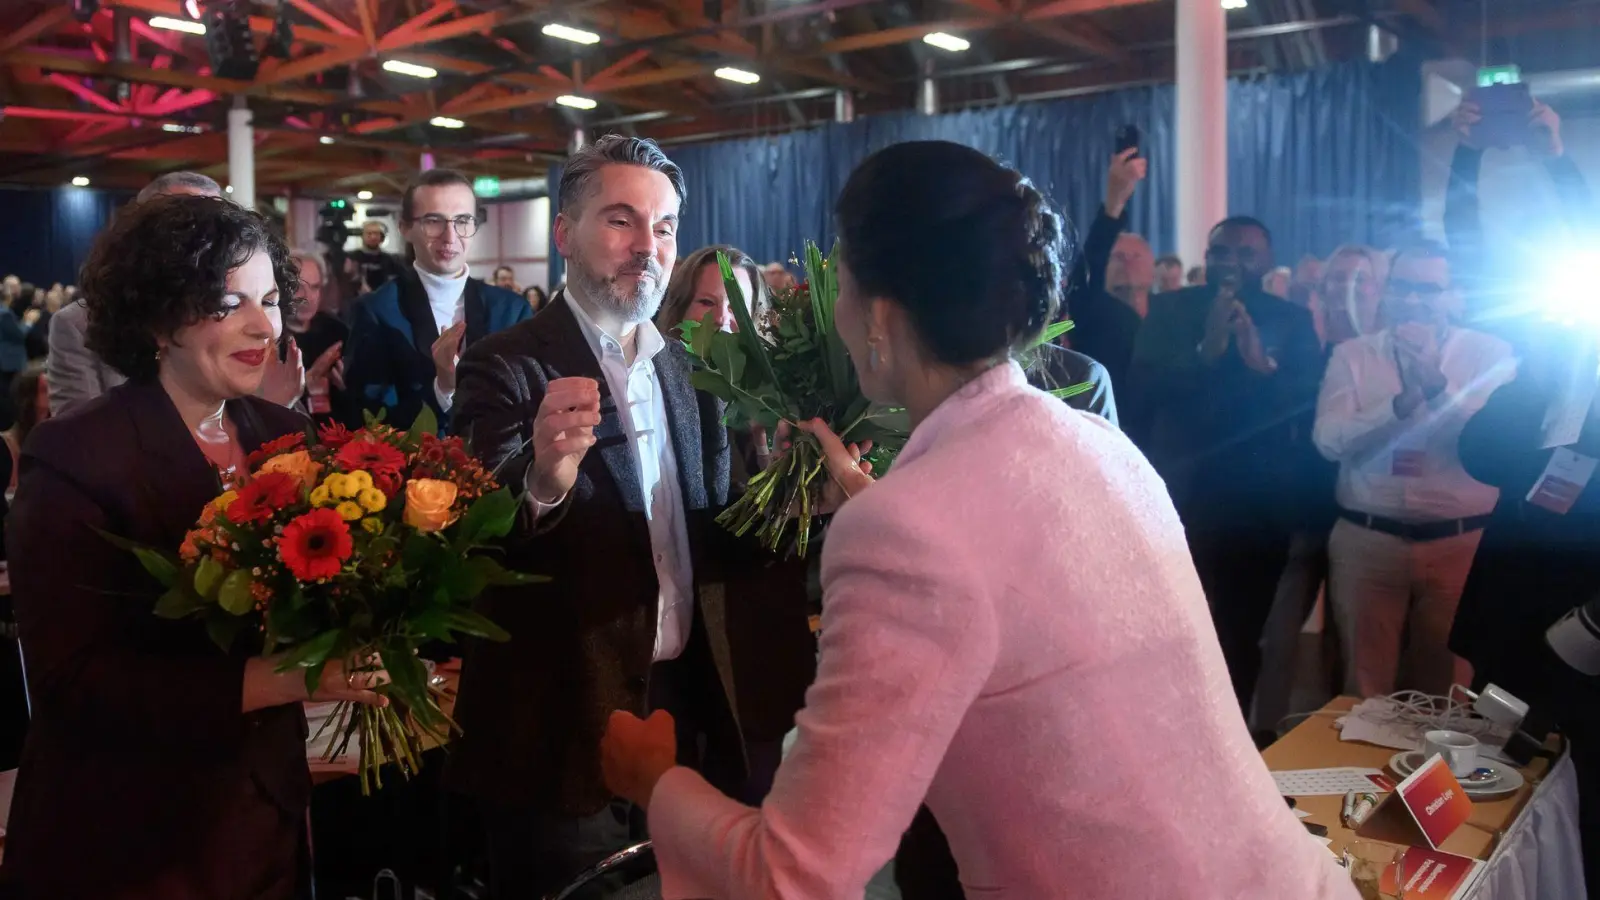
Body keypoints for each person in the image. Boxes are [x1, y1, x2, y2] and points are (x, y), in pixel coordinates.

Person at [599, 140, 1356, 900]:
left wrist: (655, 781)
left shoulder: (906, 533)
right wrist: (879, 500)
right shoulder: (1099, 444)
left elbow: (796, 872)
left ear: (879, 316)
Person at [1, 195, 387, 899]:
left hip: (262, 812)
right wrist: (286, 679)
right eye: (226, 300)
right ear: (156, 316)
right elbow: (72, 681)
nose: (260, 325)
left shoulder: (284, 434)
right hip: (127, 826)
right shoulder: (80, 452)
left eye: (270, 299)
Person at [449, 135, 793, 897]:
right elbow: (470, 533)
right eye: (621, 221)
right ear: (564, 234)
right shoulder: (505, 364)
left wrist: (809, 500)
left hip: (686, 712)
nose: (648, 247)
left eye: (665, 227)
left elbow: (723, 531)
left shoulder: (689, 366)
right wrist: (542, 478)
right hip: (563, 723)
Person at [1127, 215, 1323, 711]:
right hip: (1179, 497)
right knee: (1169, 625)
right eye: (1220, 252)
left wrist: (1262, 366)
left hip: (1257, 506)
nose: (1231, 263)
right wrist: (1205, 351)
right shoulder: (1170, 310)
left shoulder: (1292, 320)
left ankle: (1232, 738)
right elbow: (1142, 392)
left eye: (1244, 253)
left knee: (1240, 632)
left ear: (1266, 261)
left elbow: (1307, 406)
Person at [1315, 242, 1516, 698]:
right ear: (1387, 291)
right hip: (1369, 540)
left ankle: (1442, 773)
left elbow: (1497, 443)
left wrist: (1440, 390)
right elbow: (1328, 441)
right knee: (1365, 688)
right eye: (1403, 286)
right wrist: (1398, 406)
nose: (1414, 299)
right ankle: (1358, 772)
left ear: (1454, 295)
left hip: (1459, 544)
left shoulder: (1490, 353)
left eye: (1429, 289)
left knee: (1451, 693)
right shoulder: (1354, 354)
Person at [1449, 322, 1600, 898]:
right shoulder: (1547, 377)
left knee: (1585, 790)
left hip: (1588, 623)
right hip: (1514, 616)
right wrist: (1547, 380)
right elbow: (1480, 454)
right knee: (1502, 780)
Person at [49, 171, 313, 418]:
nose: (207, 240)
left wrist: (274, 408)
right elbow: (84, 440)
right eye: (185, 224)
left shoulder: (258, 321)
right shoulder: (76, 324)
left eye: (220, 224)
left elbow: (296, 444)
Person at [342, 169, 530, 433]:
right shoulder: (376, 311)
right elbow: (368, 414)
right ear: (405, 228)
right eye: (434, 221)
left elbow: (527, 405)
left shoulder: (511, 310)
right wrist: (442, 387)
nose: (450, 236)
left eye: (462, 220)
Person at [1063, 147, 1146, 392]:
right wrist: (1113, 205)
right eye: (1119, 256)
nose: (1128, 262)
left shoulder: (1171, 312)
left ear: (1152, 266)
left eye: (1136, 256)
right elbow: (1089, 267)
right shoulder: (1092, 312)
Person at [285, 253, 349, 425]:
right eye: (297, 287)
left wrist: (349, 386)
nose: (307, 297)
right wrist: (305, 386)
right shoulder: (268, 338)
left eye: (315, 287)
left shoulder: (337, 331)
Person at [2, 362, 48, 493]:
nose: (53, 397)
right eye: (45, 390)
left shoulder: (56, 453)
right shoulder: (4, 448)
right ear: (27, 400)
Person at [343, 220, 405, 295]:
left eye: (376, 233)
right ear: (362, 236)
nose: (373, 237)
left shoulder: (390, 260)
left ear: (381, 237)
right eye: (369, 234)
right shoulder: (352, 257)